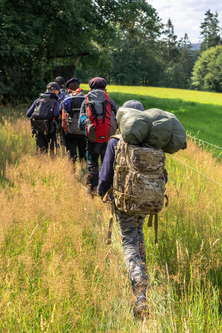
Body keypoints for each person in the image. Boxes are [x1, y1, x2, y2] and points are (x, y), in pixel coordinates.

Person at [97, 100, 151, 318]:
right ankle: (143, 276)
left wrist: (102, 191)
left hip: (125, 202)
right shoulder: (152, 141)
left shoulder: (116, 141)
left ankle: (140, 295)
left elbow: (106, 173)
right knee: (138, 234)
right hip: (147, 201)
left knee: (129, 241)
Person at [79, 77, 117, 196]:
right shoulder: (109, 100)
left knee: (93, 163)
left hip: (92, 139)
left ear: (90, 88)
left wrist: (88, 132)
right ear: (105, 89)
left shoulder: (85, 101)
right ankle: (107, 192)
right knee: (109, 164)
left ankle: (91, 191)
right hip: (108, 139)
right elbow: (116, 117)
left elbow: (81, 123)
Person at [26, 82, 61, 154]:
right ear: (55, 91)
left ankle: (41, 163)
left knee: (40, 151)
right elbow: (56, 114)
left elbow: (28, 114)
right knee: (52, 151)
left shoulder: (38, 100)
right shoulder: (55, 101)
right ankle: (51, 164)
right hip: (51, 129)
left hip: (39, 129)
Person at [61, 78, 87, 164]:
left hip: (70, 130)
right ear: (78, 87)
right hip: (83, 130)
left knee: (71, 154)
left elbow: (60, 111)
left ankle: (72, 171)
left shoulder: (67, 98)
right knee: (83, 153)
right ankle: (83, 169)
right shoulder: (86, 97)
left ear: (68, 89)